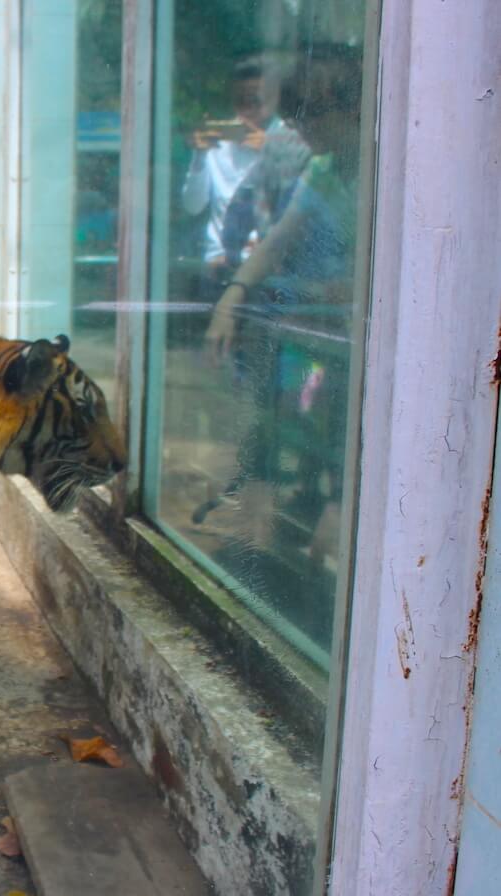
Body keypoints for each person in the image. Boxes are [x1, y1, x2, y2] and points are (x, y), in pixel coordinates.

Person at [193, 43, 364, 554]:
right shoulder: (325, 169)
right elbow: (277, 241)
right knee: (294, 425)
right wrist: (233, 297)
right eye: (298, 116)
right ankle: (290, 530)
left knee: (336, 442)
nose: (304, 129)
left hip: (355, 340)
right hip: (317, 328)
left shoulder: (386, 169)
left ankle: (325, 533)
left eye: (314, 114)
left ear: (353, 107)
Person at [181, 57, 304, 285]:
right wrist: (199, 157)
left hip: (270, 268)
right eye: (241, 100)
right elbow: (192, 206)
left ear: (273, 97)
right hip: (218, 265)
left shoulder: (291, 140)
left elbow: (299, 204)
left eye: (255, 100)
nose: (248, 108)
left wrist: (270, 148)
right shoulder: (219, 143)